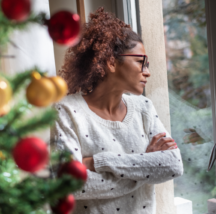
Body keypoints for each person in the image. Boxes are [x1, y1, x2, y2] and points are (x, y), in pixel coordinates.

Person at [50, 7, 184, 214]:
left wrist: (98, 162)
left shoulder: (144, 108)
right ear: (111, 62)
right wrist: (146, 165)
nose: (147, 72)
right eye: (141, 62)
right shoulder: (66, 111)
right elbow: (69, 184)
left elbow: (174, 165)